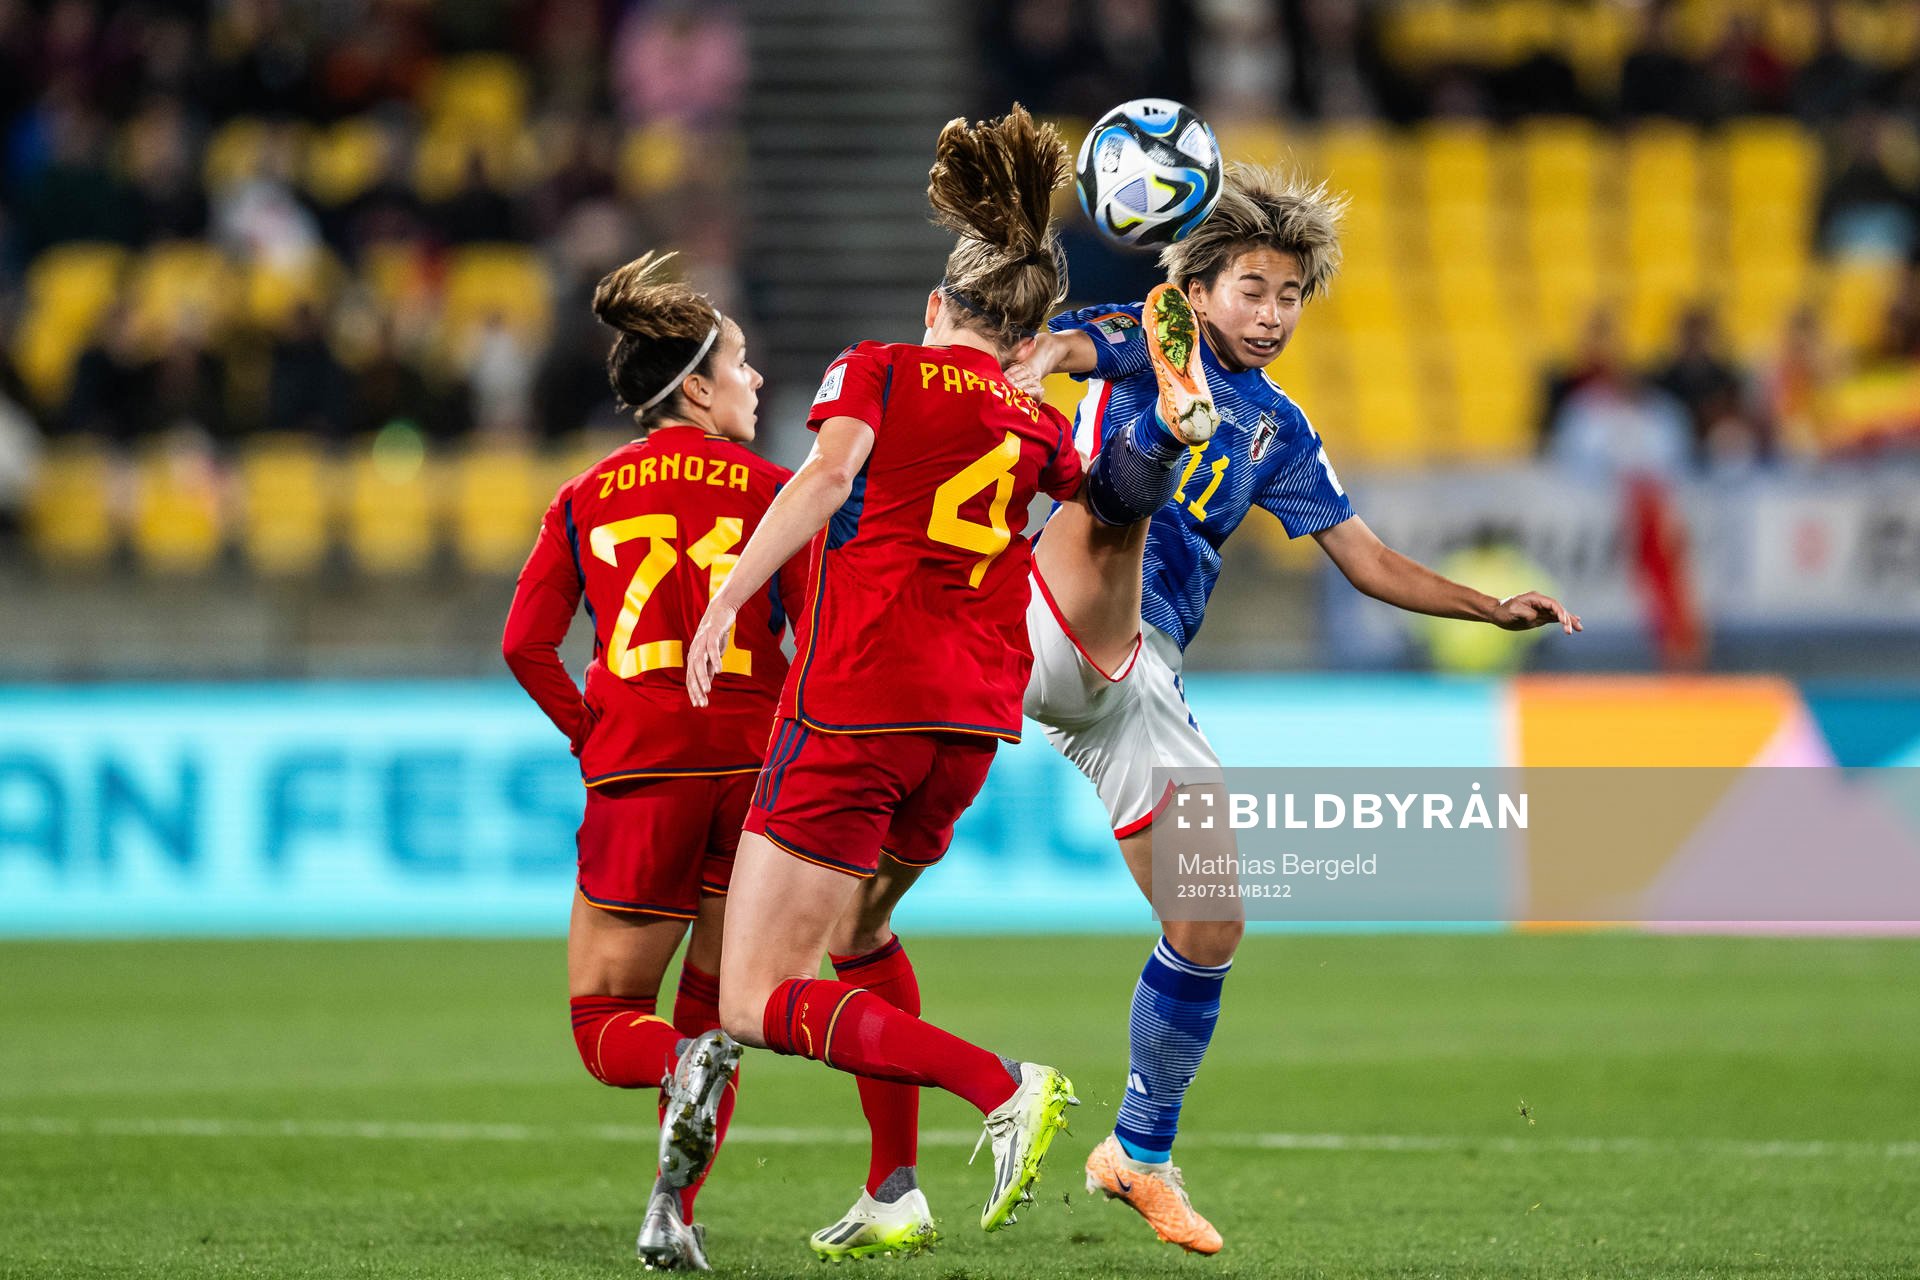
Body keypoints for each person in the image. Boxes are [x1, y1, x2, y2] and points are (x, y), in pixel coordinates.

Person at [1004, 163, 1581, 1254]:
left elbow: (1363, 559)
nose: (1271, 314)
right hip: (1035, 605)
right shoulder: (1143, 328)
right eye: (1252, 290)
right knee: (1115, 496)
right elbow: (1043, 351)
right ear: (1200, 288)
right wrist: (1034, 332)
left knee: (1212, 918)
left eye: (1288, 296)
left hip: (1140, 669)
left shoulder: (1278, 425)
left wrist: (1489, 605)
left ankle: (1139, 1148)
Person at [680, 105, 1196, 1264]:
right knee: (861, 929)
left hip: (858, 700)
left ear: (937, 307)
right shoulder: (1036, 421)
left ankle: (1000, 1085)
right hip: (966, 725)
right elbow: (1112, 497)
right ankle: (894, 1187)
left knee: (755, 998)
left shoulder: (881, 370)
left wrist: (724, 598)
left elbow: (821, 480)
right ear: (1026, 332)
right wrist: (1166, 421)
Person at [501, 251, 807, 1271]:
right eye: (744, 366)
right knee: (717, 1012)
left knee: (605, 1023)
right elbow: (822, 643)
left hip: (641, 770)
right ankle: (670, 1210)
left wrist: (597, 733)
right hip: (754, 770)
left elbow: (525, 644)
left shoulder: (586, 492)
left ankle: (676, 1075)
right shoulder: (777, 493)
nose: (758, 382)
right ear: (694, 388)